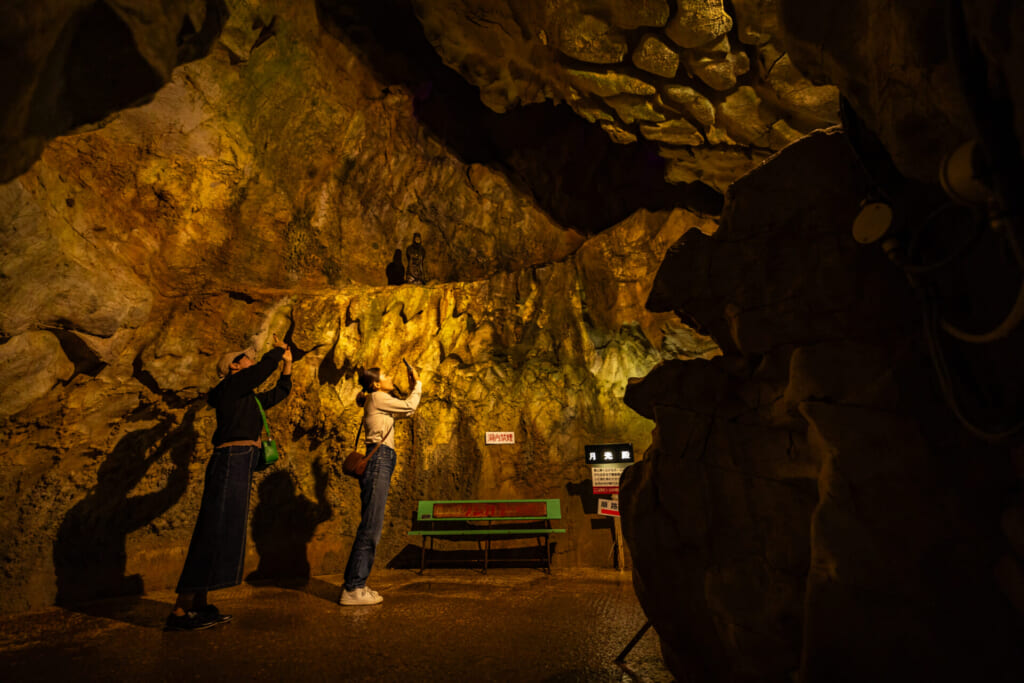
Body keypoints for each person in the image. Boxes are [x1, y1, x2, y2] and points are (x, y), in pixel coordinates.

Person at [165, 336, 293, 631]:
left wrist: (287, 364)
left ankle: (199, 605)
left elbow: (281, 391)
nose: (249, 360)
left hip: (242, 460)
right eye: (245, 357)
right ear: (235, 366)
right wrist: (277, 350)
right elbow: (260, 371)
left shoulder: (247, 397)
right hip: (230, 458)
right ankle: (180, 611)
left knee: (223, 530)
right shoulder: (229, 388)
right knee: (213, 529)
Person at [340, 361, 422, 605]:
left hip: (382, 460)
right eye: (384, 375)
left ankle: (357, 585)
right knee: (371, 526)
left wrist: (410, 387)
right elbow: (410, 405)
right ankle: (353, 588)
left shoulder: (377, 399)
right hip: (379, 460)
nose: (389, 377)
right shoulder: (376, 397)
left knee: (372, 524)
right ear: (375, 384)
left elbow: (408, 410)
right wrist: (417, 384)